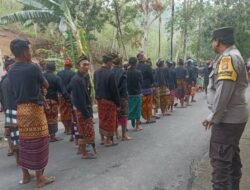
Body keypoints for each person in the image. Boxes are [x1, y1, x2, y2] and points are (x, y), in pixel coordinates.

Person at [203, 27, 249, 190]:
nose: (212, 44)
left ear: (218, 41)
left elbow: (224, 91)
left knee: (220, 165)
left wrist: (213, 116)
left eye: (212, 40)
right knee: (231, 157)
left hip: (228, 119)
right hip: (234, 117)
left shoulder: (228, 58)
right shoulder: (232, 56)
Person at [8, 39, 55, 187]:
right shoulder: (33, 68)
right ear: (24, 52)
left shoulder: (11, 70)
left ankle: (26, 176)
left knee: (26, 144)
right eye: (29, 50)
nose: (31, 53)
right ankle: (40, 178)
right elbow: (46, 84)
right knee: (40, 142)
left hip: (20, 110)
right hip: (34, 110)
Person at [70, 56, 96, 159]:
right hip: (82, 110)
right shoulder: (77, 79)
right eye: (84, 65)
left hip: (83, 108)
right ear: (78, 66)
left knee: (83, 131)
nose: (86, 67)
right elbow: (80, 99)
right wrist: (86, 113)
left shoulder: (82, 77)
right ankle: (84, 153)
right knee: (84, 131)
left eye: (87, 64)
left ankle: (82, 150)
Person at [94, 53, 120, 146]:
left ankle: (102, 139)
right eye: (111, 63)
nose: (112, 65)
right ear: (108, 62)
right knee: (110, 120)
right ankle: (108, 140)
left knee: (102, 118)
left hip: (100, 100)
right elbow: (114, 90)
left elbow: (95, 86)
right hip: (109, 101)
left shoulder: (96, 72)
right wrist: (118, 103)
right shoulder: (110, 73)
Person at [44, 62, 70, 142]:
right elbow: (62, 90)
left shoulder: (42, 76)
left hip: (43, 101)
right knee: (53, 118)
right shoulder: (56, 78)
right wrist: (68, 99)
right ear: (54, 68)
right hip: (52, 100)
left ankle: (46, 135)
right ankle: (52, 136)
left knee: (45, 118)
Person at [0, 57, 19, 163]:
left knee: (14, 136)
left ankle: (19, 161)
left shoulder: (4, 80)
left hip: (9, 111)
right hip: (13, 111)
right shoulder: (10, 80)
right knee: (16, 136)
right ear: (8, 68)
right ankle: (20, 162)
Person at [112, 54, 132, 140]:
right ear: (120, 62)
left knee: (115, 115)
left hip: (113, 97)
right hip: (122, 97)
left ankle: (116, 134)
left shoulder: (111, 71)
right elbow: (123, 86)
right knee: (124, 116)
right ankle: (124, 135)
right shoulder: (122, 72)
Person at [57, 58, 75, 136]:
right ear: (70, 66)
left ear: (64, 65)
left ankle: (66, 128)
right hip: (70, 95)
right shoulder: (73, 73)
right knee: (71, 111)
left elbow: (57, 85)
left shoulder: (59, 73)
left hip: (61, 95)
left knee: (63, 112)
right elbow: (73, 85)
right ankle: (70, 129)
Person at [136, 52, 155, 123]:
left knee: (140, 104)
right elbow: (151, 77)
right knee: (148, 104)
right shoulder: (147, 66)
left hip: (138, 88)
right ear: (143, 58)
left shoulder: (136, 66)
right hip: (147, 87)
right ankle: (148, 118)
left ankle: (138, 120)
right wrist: (153, 84)